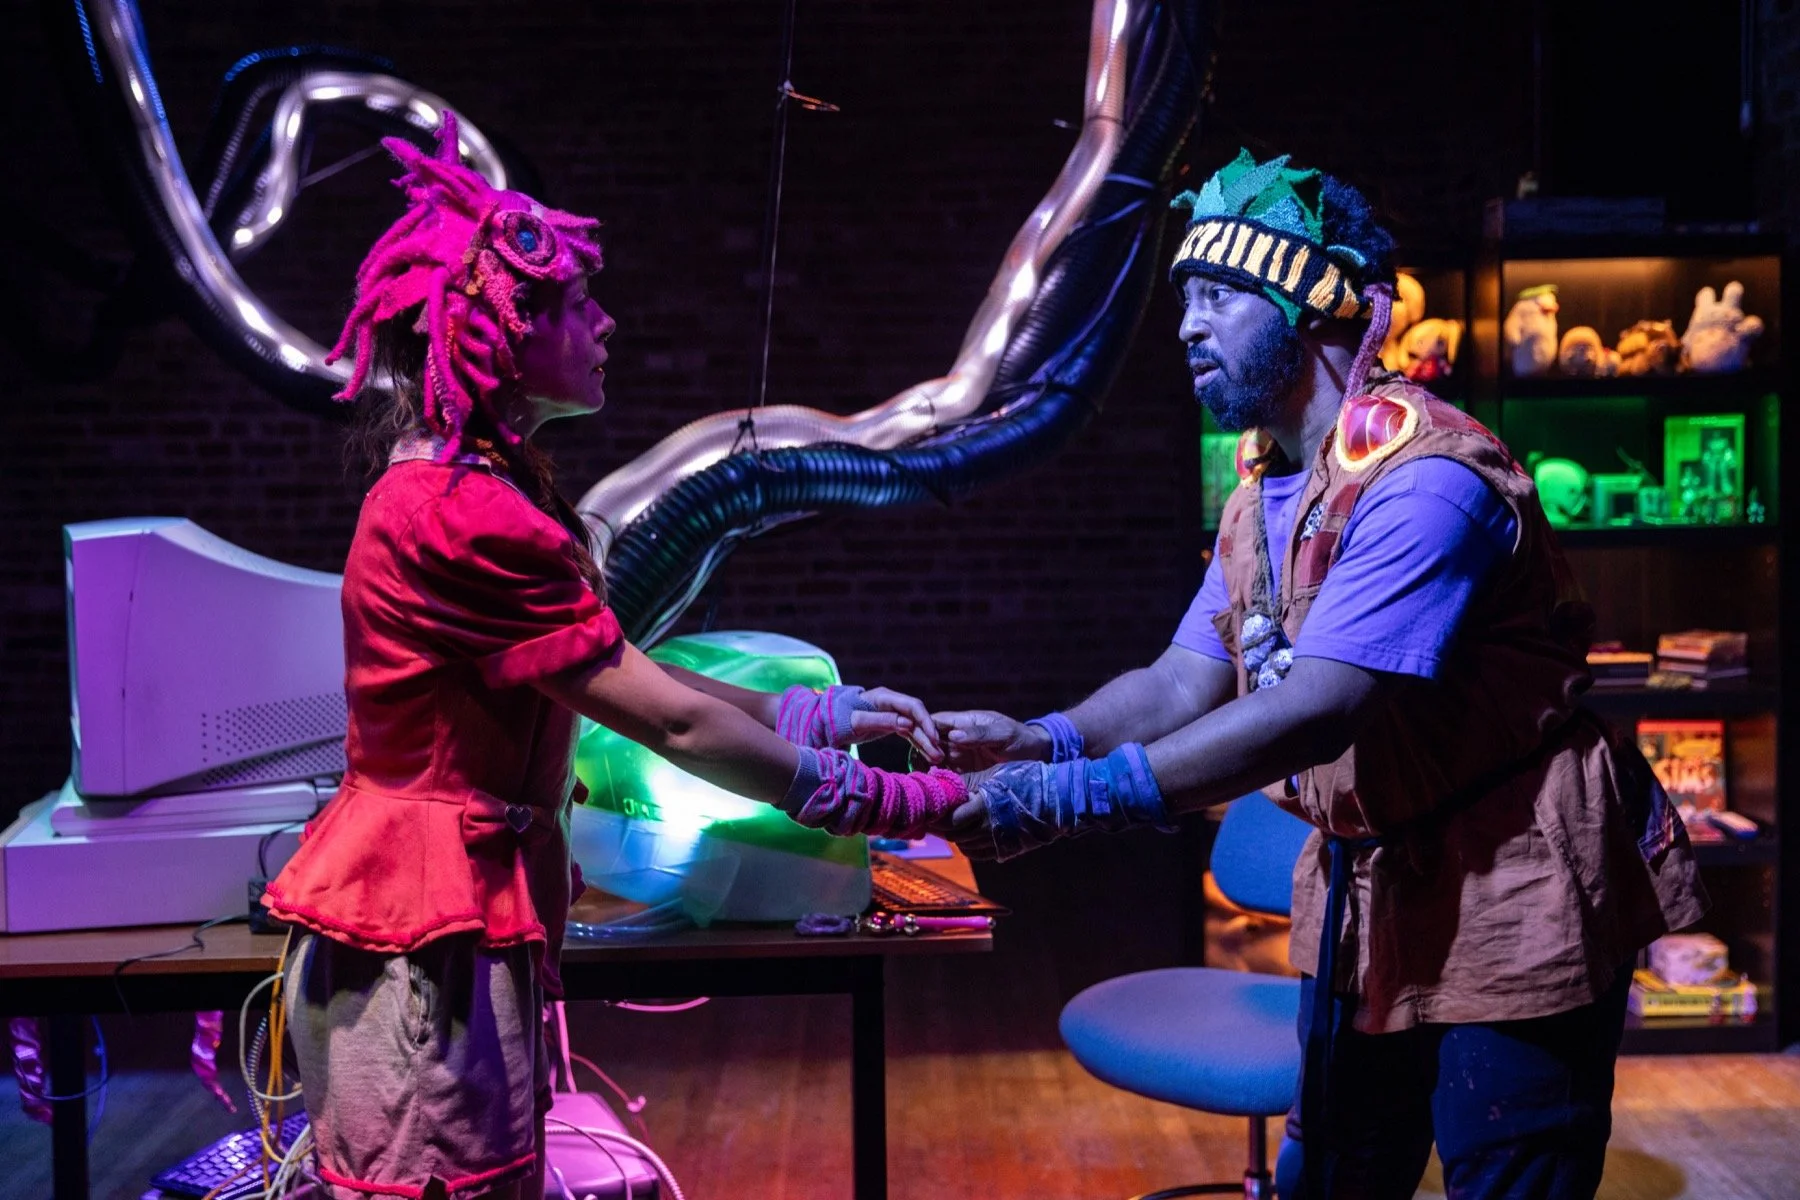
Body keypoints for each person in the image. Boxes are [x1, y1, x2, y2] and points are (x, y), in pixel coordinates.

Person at [935, 150, 1706, 1200]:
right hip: (1368, 888)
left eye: (1218, 299)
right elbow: (1179, 678)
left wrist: (1077, 799)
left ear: (1312, 308)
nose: (1185, 329)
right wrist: (1044, 739)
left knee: (1505, 1175)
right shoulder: (1264, 494)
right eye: (1184, 302)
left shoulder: (1428, 481)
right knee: (1336, 1174)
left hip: (1513, 878)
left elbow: (1318, 707)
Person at [262, 116, 967, 1200]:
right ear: (501, 329)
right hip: (421, 946)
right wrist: (877, 799)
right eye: (577, 305)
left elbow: (628, 664)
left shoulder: (474, 488)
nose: (606, 322)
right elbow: (670, 723)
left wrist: (819, 715)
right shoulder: (457, 511)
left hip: (450, 930)